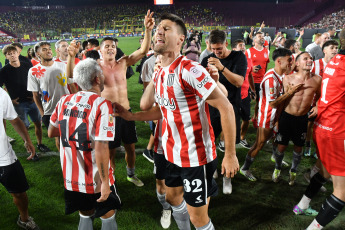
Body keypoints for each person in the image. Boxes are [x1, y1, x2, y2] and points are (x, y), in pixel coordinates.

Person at [115, 13, 239, 230]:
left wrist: (230, 154)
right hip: (173, 153)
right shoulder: (161, 73)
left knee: (198, 218)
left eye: (166, 28)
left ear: (181, 39)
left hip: (196, 157)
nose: (159, 31)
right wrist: (131, 116)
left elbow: (226, 107)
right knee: (173, 199)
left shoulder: (190, 70)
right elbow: (162, 111)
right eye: (158, 28)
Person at [66, 10, 155, 187]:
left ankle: (131, 174)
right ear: (100, 49)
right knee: (111, 152)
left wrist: (147, 30)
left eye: (113, 46)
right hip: (108, 115)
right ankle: (112, 181)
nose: (110, 48)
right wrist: (70, 56)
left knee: (130, 147)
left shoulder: (123, 62)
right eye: (106, 46)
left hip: (126, 113)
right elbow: (71, 77)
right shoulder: (94, 66)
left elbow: (144, 50)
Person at [48, 58, 121, 230]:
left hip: (71, 178)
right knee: (107, 216)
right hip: (95, 179)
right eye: (101, 74)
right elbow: (102, 147)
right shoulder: (103, 105)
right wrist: (105, 182)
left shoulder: (64, 101)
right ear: (97, 79)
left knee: (85, 214)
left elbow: (52, 132)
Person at [294, 29, 345, 230]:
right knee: (341, 191)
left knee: (324, 171)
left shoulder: (335, 62)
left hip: (322, 127)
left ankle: (302, 205)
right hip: (337, 130)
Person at [240, 48, 302, 181]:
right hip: (267, 116)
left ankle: (274, 156)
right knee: (259, 144)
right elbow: (273, 104)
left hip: (277, 115)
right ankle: (244, 168)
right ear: (279, 61)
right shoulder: (271, 80)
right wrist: (289, 93)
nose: (291, 62)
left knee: (276, 138)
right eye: (289, 60)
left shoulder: (281, 74)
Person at [201, 29, 245, 195]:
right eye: (213, 49)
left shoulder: (238, 57)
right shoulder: (206, 59)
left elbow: (239, 82)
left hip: (232, 107)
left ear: (226, 44)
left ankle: (227, 178)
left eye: (219, 49)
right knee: (209, 143)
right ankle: (213, 170)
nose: (216, 52)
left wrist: (222, 68)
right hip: (212, 107)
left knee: (229, 145)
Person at [272, 52, 322, 186]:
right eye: (306, 58)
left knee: (298, 148)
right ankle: (277, 167)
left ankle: (293, 171)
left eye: (311, 59)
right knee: (281, 146)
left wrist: (317, 106)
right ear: (298, 63)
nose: (310, 60)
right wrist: (277, 119)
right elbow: (282, 101)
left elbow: (321, 96)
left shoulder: (317, 80)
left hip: (302, 119)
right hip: (286, 117)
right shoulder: (288, 78)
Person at [0, 87, 39, 230]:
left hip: (3, 156)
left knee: (19, 192)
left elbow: (14, 119)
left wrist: (27, 140)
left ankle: (24, 219)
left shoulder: (1, 94)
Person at [0, 45, 49, 156]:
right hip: (19, 104)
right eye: (9, 53)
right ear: (6, 57)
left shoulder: (27, 65)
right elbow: (0, 89)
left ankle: (40, 144)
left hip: (32, 101)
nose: (12, 55)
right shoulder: (4, 71)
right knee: (24, 127)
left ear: (18, 53)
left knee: (38, 123)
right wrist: (10, 101)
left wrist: (35, 95)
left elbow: (36, 81)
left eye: (14, 52)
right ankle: (30, 150)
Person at [27, 41, 76, 150]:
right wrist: (42, 113)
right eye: (44, 49)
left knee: (72, 135)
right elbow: (35, 95)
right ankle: (64, 161)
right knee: (58, 138)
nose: (48, 51)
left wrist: (77, 102)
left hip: (68, 106)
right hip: (49, 110)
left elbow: (71, 85)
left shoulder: (63, 66)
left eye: (49, 48)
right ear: (38, 54)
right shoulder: (33, 71)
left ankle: (74, 158)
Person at [232, 39, 255, 149]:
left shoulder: (249, 60)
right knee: (231, 120)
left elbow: (250, 75)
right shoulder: (229, 61)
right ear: (234, 49)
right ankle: (226, 140)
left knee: (246, 119)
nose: (243, 47)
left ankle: (242, 137)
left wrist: (252, 89)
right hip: (233, 95)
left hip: (245, 95)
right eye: (240, 45)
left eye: (244, 45)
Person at [245, 31, 270, 125]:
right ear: (254, 40)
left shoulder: (266, 51)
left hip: (262, 81)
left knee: (259, 101)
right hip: (250, 80)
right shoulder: (249, 51)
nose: (262, 38)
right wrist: (251, 70)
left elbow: (266, 65)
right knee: (247, 101)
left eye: (263, 36)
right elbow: (244, 67)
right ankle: (245, 118)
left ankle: (255, 117)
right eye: (260, 36)